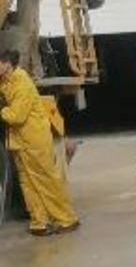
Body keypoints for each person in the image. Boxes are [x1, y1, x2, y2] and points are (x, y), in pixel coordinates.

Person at [0, 47, 79, 236]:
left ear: (7, 65)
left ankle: (66, 219)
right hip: (20, 142)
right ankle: (39, 222)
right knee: (28, 183)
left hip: (34, 140)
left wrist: (2, 109)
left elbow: (16, 116)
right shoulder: (6, 81)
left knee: (47, 180)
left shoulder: (22, 83)